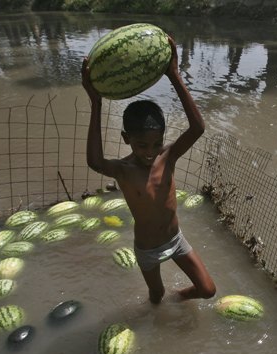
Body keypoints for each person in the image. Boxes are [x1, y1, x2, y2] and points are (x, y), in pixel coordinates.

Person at [81, 36, 216, 304]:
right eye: (142, 145)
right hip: (147, 249)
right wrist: (96, 103)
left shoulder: (168, 157)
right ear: (125, 138)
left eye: (156, 143)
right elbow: (95, 161)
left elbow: (198, 128)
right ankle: (161, 312)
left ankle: (179, 300)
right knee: (156, 296)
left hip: (176, 240)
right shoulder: (123, 169)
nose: (150, 151)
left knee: (208, 290)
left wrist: (174, 75)